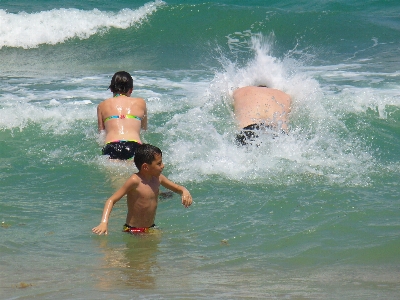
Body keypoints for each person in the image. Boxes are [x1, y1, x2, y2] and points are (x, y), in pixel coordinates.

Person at [92, 143, 193, 235]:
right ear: (145, 167)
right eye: (159, 164)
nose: (163, 166)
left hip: (150, 228)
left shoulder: (158, 178)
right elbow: (111, 200)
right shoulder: (135, 181)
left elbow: (177, 188)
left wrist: (184, 191)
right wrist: (103, 223)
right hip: (133, 230)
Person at [97, 71, 148, 160]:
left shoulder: (102, 106)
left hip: (111, 146)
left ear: (111, 89)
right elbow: (144, 130)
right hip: (134, 145)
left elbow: (101, 134)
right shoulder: (141, 103)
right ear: (131, 90)